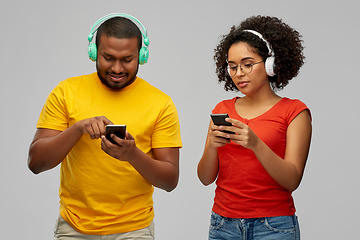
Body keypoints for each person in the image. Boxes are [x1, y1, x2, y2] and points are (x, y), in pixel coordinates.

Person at [27, 13, 182, 240]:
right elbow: (36, 163)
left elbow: (170, 181)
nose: (117, 69)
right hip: (74, 228)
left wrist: (132, 154)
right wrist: (78, 128)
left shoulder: (161, 103)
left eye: (127, 59)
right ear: (93, 53)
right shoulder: (66, 92)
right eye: (108, 58)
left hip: (134, 229)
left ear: (142, 55)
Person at [197, 15, 312, 240]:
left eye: (248, 65)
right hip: (223, 225)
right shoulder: (223, 109)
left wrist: (256, 144)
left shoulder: (295, 112)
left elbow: (292, 180)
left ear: (270, 65)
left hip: (274, 226)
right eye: (232, 67)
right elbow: (205, 178)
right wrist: (211, 145)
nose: (239, 73)